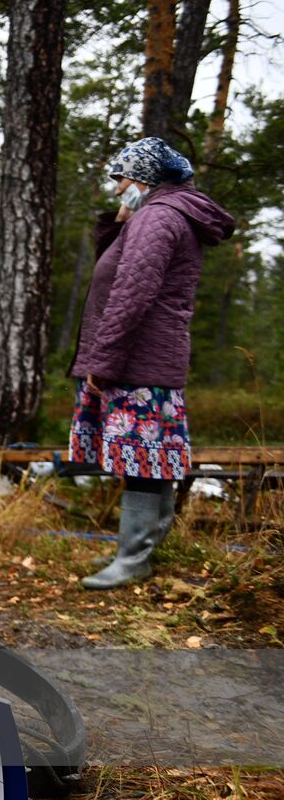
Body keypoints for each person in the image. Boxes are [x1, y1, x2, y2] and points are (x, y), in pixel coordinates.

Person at [70, 137, 234, 589]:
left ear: (143, 178)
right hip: (146, 357)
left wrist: (103, 362)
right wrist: (121, 220)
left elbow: (131, 295)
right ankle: (141, 552)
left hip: (139, 360)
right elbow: (115, 266)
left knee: (144, 459)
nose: (117, 188)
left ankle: (133, 558)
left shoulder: (160, 218)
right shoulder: (154, 215)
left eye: (120, 180)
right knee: (150, 458)